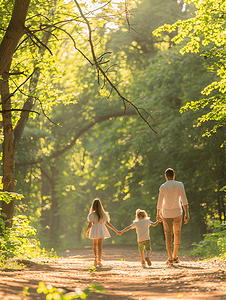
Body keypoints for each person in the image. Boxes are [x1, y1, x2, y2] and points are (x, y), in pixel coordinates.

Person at [157, 168, 190, 265]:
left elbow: (159, 201)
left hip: (166, 213)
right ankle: (175, 256)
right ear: (174, 176)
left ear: (166, 177)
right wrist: (187, 213)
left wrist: (158, 214)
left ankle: (170, 257)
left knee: (168, 234)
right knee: (177, 233)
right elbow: (184, 200)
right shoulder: (180, 185)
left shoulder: (163, 186)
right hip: (177, 212)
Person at [84, 198, 119, 267]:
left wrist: (86, 232)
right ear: (100, 206)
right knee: (100, 245)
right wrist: (116, 230)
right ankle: (99, 260)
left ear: (93, 206)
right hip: (101, 228)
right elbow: (108, 224)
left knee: (94, 244)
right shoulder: (104, 214)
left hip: (94, 228)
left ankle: (95, 259)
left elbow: (90, 225)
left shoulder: (91, 215)